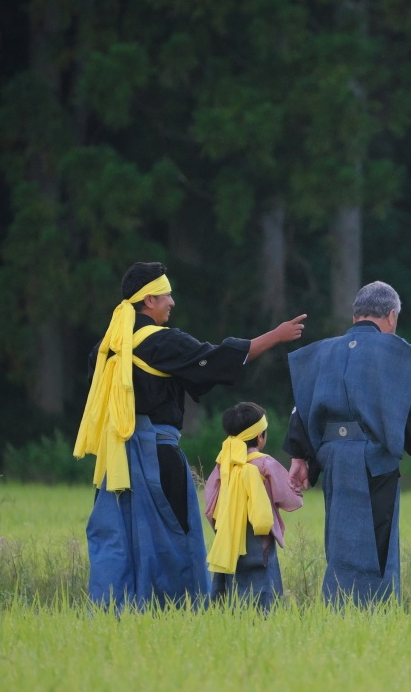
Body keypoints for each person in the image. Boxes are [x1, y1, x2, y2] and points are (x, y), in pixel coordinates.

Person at [72, 261, 306, 609]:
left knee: (117, 536)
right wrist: (275, 336)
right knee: (173, 534)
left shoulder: (105, 347)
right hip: (158, 455)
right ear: (148, 300)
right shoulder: (161, 342)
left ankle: (113, 609)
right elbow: (215, 361)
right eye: (166, 295)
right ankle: (175, 610)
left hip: (114, 460)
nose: (172, 302)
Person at [284, 280, 411, 605]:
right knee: (378, 536)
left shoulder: (323, 351)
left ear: (355, 317)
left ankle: (338, 603)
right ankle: (375, 606)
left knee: (339, 534)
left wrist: (299, 457)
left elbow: (301, 405)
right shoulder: (395, 351)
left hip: (332, 455)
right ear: (391, 316)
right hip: (373, 455)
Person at [203, 401, 303, 612]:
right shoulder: (265, 464)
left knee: (233, 577)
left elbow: (210, 500)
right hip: (259, 536)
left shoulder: (224, 463)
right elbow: (290, 498)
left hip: (229, 536)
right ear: (260, 436)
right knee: (262, 580)